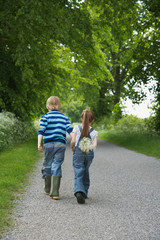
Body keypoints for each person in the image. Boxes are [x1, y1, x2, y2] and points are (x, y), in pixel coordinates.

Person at [38, 96, 73, 200]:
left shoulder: (45, 117)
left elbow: (41, 131)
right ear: (59, 105)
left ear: (47, 106)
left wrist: (39, 144)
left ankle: (47, 188)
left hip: (48, 144)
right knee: (57, 165)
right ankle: (55, 192)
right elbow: (70, 130)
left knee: (48, 164)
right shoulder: (64, 117)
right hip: (60, 144)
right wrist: (74, 140)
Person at [70, 109, 98, 204]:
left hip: (78, 152)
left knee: (78, 170)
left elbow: (73, 141)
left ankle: (79, 191)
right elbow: (94, 145)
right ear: (92, 120)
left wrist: (72, 147)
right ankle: (85, 192)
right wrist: (87, 148)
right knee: (85, 170)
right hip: (89, 153)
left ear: (81, 118)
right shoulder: (94, 131)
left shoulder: (76, 128)